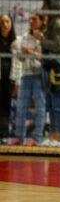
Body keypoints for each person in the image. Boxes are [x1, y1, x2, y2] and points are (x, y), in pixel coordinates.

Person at [34, 0, 60, 146]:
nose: (42, 8)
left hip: (58, 67)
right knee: (51, 103)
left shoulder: (58, 23)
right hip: (50, 67)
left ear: (51, 7)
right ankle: (52, 137)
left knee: (58, 103)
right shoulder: (51, 23)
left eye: (45, 6)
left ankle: (58, 138)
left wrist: (42, 39)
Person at [11, 13, 46, 146]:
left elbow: (44, 57)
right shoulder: (25, 37)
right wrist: (18, 51)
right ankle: (19, 137)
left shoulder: (44, 38)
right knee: (20, 106)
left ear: (41, 21)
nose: (31, 21)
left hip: (39, 76)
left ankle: (36, 138)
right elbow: (21, 58)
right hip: (25, 75)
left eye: (34, 19)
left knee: (39, 108)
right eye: (30, 19)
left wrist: (31, 53)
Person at [0, 13, 20, 141]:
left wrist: (17, 82)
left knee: (6, 106)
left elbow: (18, 63)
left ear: (11, 24)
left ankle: (3, 135)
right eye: (2, 22)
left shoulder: (16, 41)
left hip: (9, 79)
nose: (5, 24)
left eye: (7, 21)